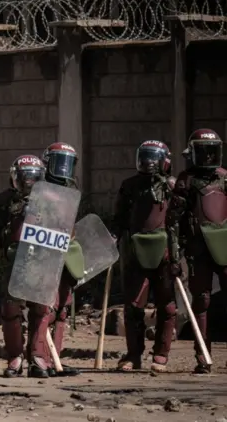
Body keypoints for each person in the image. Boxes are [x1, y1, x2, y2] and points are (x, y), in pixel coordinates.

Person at [0, 155, 51, 378]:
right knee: (11, 309)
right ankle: (15, 357)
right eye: (24, 178)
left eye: (33, 178)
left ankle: (38, 357)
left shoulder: (51, 200)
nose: (28, 182)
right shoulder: (4, 201)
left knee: (41, 307)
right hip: (15, 261)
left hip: (42, 260)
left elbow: (63, 229)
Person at [111, 140, 176, 373]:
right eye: (145, 157)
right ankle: (133, 354)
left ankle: (161, 354)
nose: (149, 162)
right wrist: (113, 237)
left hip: (166, 253)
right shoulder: (129, 186)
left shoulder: (172, 186)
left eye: (154, 157)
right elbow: (119, 217)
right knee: (133, 305)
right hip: (136, 251)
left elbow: (178, 218)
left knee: (167, 306)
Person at [167, 128, 227, 374]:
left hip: (223, 244)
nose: (208, 158)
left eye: (211, 152)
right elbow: (172, 221)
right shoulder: (185, 181)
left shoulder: (224, 178)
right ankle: (203, 355)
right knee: (201, 300)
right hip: (197, 248)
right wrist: (173, 253)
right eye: (203, 152)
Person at [41, 142, 82, 377]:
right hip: (46, 252)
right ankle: (43, 359)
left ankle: (56, 357)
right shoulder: (40, 188)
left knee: (63, 308)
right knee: (48, 307)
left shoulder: (71, 189)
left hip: (66, 252)